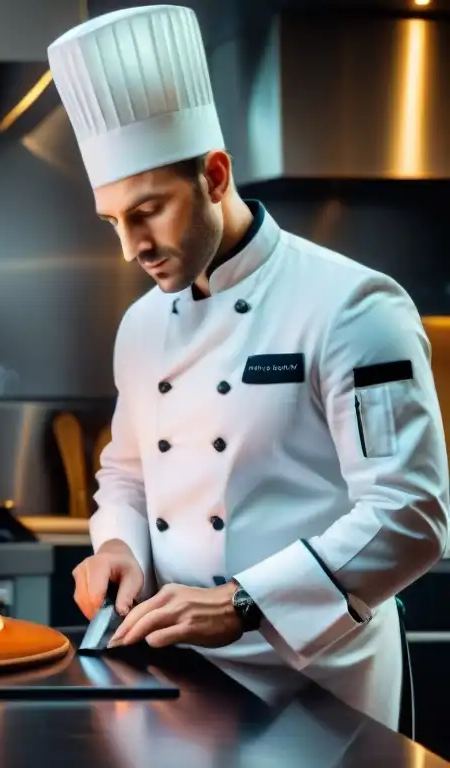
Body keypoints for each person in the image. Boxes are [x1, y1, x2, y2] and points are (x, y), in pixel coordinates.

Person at [47, 4, 450, 730]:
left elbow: (412, 515)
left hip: (321, 684)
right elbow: (129, 474)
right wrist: (117, 544)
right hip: (180, 682)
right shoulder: (140, 325)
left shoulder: (354, 305)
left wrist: (241, 603)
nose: (131, 247)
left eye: (150, 211)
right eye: (114, 222)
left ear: (215, 174)